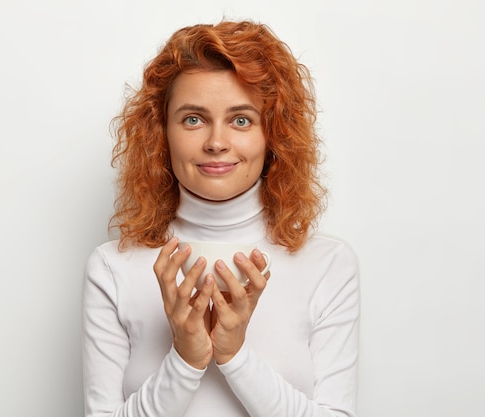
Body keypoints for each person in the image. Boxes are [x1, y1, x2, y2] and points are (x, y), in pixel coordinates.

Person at [82, 20, 359, 417]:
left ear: (274, 133)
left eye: (241, 119)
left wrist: (234, 356)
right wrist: (185, 359)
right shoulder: (111, 269)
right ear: (161, 132)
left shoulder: (328, 266)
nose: (216, 142)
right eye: (193, 119)